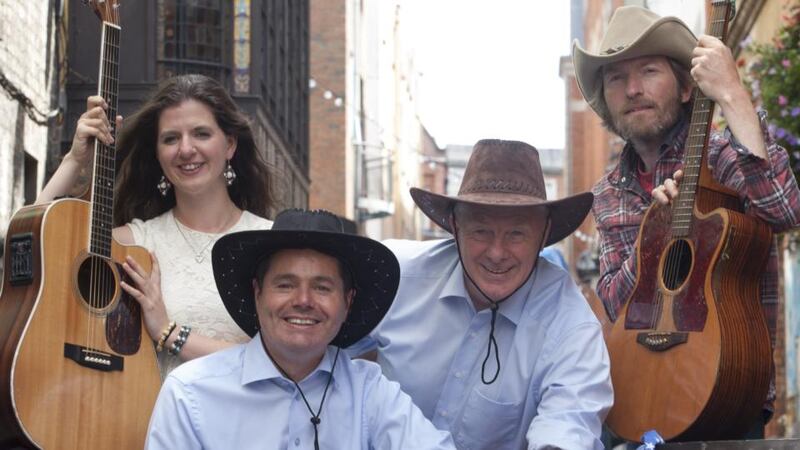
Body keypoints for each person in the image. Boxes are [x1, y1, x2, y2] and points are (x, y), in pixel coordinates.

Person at [571, 5, 800, 436]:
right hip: (638, 397)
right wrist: (650, 238)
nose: (633, 88)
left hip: (727, 391)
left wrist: (732, 93)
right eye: (616, 78)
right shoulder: (607, 193)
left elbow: (786, 210)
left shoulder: (722, 156)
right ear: (606, 98)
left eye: (649, 71)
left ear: (684, 88)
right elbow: (617, 304)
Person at [349, 139, 613, 449]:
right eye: (480, 231)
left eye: (517, 234)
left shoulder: (571, 324)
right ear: (454, 226)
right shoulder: (392, 276)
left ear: (543, 235)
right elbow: (315, 357)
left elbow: (569, 425)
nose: (497, 253)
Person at [145, 208, 456, 449]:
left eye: (322, 288)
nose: (304, 301)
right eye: (285, 285)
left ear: (347, 302)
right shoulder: (189, 394)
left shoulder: (370, 392)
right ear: (258, 293)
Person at [36, 74, 275, 375]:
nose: (185, 149)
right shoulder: (135, 243)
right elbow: (34, 245)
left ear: (229, 145)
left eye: (201, 134)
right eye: (171, 138)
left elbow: (278, 360)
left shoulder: (270, 241)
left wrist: (169, 332)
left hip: (247, 420)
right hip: (154, 420)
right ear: (158, 154)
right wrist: (75, 159)